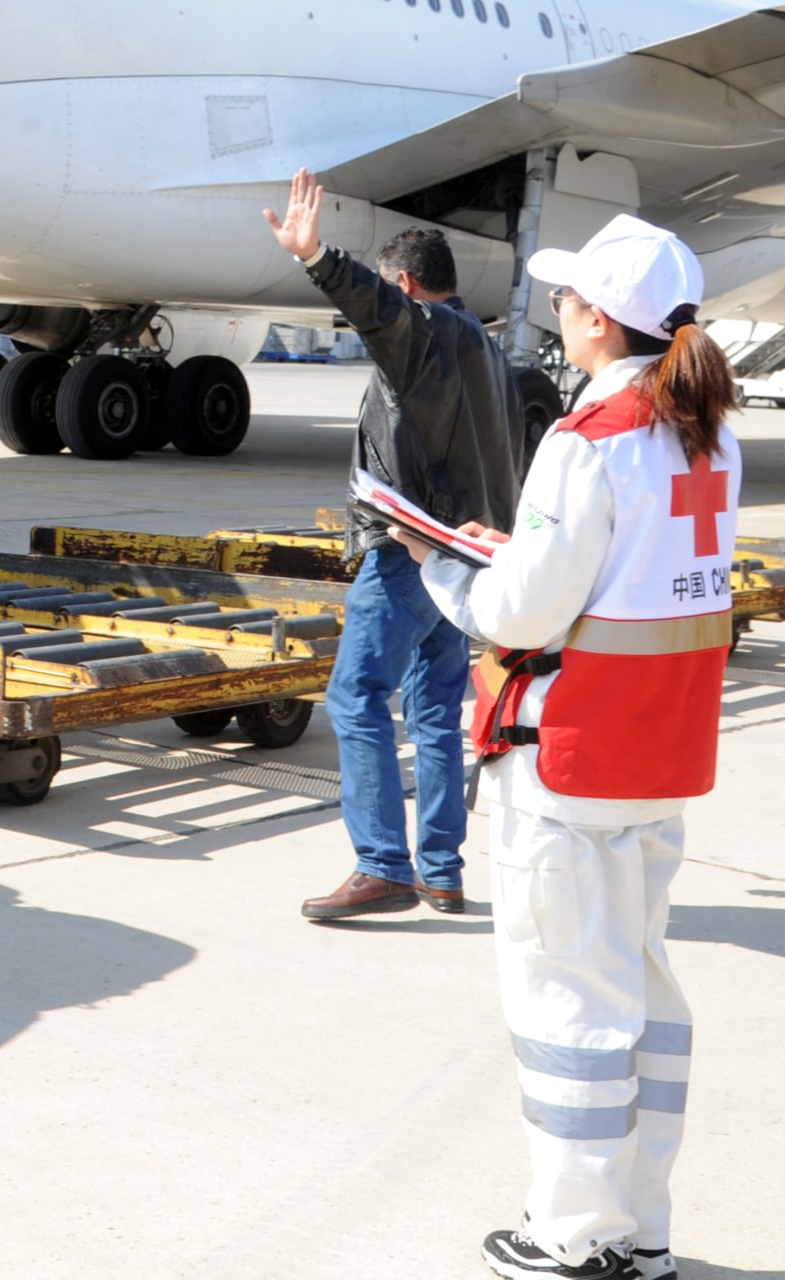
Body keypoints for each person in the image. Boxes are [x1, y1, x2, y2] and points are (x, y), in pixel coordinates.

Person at [392, 215, 741, 1280]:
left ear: (599, 318)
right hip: (660, 754)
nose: (557, 310)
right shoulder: (712, 431)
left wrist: (444, 563)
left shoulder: (588, 438)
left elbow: (525, 608)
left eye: (568, 298)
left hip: (569, 756)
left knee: (567, 1004)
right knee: (640, 992)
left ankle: (573, 1238)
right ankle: (639, 1228)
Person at [263, 168, 521, 921]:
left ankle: (383, 865)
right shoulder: (485, 346)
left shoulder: (424, 334)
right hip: (463, 560)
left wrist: (317, 259)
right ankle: (441, 870)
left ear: (406, 285)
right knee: (435, 709)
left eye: (388, 293)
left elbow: (377, 311)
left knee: (355, 696)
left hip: (409, 550)